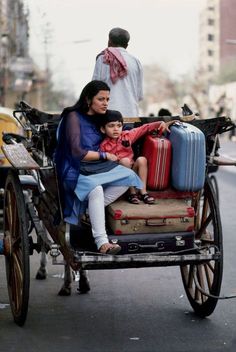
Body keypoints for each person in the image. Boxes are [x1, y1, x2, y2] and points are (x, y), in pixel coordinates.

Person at [54, 80, 144, 255]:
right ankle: (102, 242)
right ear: (88, 100)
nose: (105, 103)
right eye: (101, 99)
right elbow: (76, 152)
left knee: (128, 177)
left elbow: (120, 131)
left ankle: (89, 210)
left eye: (107, 99)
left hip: (96, 166)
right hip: (74, 167)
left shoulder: (101, 118)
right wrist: (105, 156)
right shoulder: (73, 116)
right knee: (95, 190)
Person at [99, 109, 174, 204]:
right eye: (111, 126)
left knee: (141, 159)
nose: (116, 129)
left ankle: (143, 192)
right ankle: (132, 193)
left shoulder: (127, 136)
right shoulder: (104, 145)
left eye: (119, 126)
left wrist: (160, 123)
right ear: (103, 129)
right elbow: (103, 164)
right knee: (124, 161)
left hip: (132, 170)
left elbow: (144, 128)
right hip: (119, 176)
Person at [92, 27, 143, 117]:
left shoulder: (103, 58)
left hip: (108, 117)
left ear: (109, 42)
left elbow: (93, 90)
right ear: (127, 45)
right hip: (131, 115)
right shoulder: (136, 62)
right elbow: (139, 95)